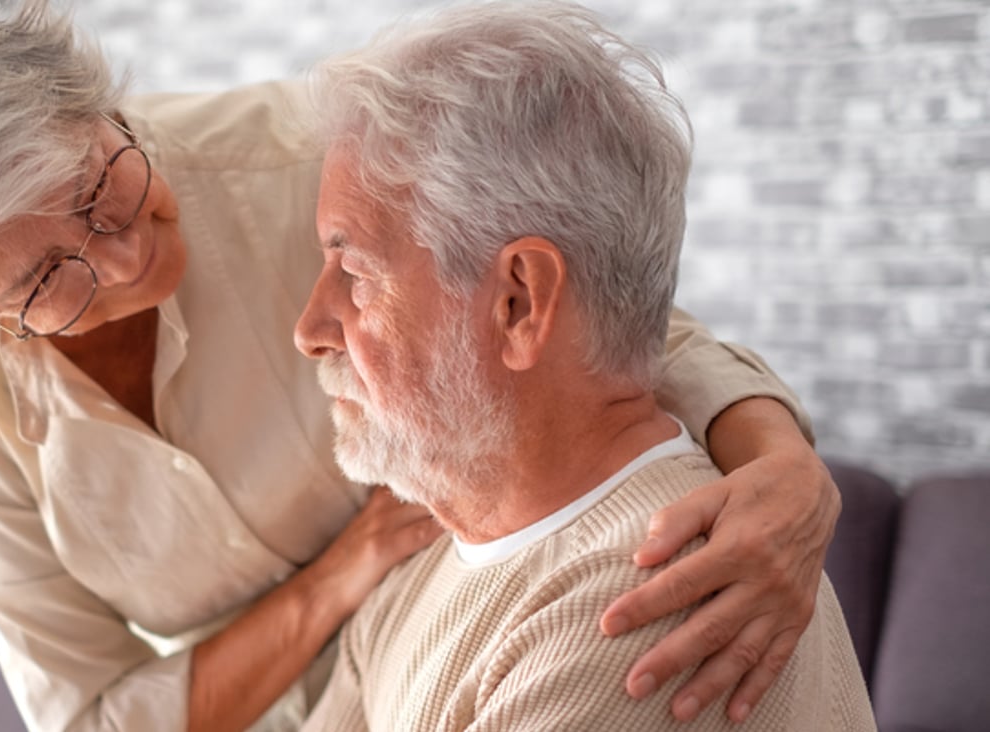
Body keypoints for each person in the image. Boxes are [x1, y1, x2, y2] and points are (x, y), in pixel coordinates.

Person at [0, 1, 840, 730]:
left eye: (102, 183)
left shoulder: (305, 165)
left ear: (88, 102)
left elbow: (589, 313)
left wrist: (780, 466)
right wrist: (343, 577)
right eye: (49, 276)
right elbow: (91, 716)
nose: (129, 255)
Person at [293, 3, 874, 730]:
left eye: (354, 273)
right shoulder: (419, 578)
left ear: (519, 302)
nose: (309, 330)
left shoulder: (651, 601)